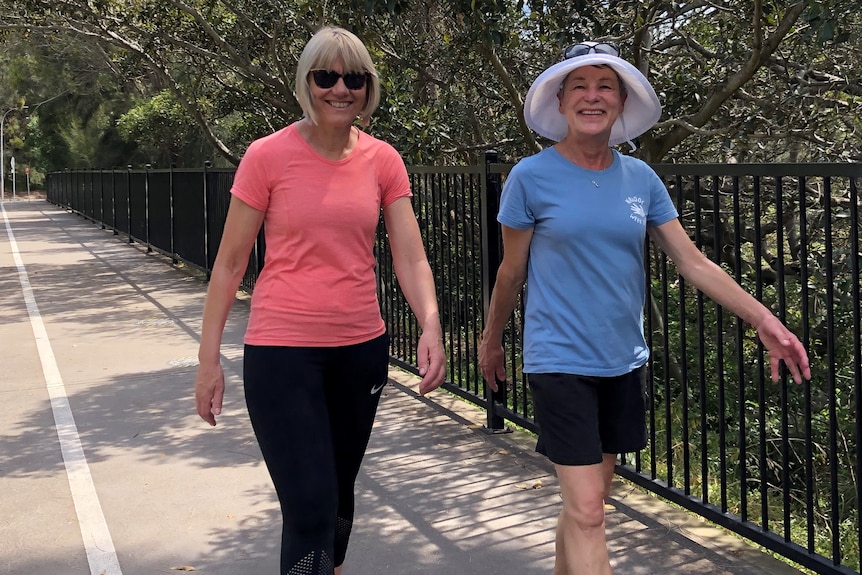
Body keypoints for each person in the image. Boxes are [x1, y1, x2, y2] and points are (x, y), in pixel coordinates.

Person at [477, 41, 811, 575]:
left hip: (622, 361)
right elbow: (511, 271)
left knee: (588, 505)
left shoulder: (641, 180)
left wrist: (764, 319)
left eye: (604, 85)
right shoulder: (529, 177)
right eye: (579, 86)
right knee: (587, 511)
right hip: (558, 359)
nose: (592, 96)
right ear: (560, 102)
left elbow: (693, 262)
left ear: (621, 100)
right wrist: (491, 341)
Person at [194, 26, 446, 575]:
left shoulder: (383, 161)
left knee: (337, 498)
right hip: (282, 354)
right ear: (307, 84)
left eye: (353, 78)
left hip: (360, 351)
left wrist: (430, 325)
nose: (340, 89)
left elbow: (411, 257)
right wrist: (208, 359)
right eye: (326, 76)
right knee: (309, 504)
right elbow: (231, 263)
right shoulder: (267, 156)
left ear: (368, 88)